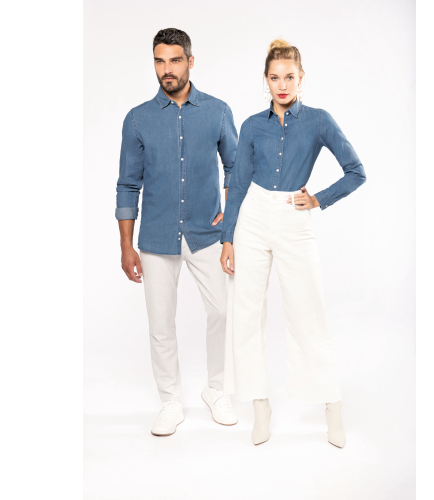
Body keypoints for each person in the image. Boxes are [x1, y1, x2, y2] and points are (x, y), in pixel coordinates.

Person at [220, 39, 366, 447]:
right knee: (246, 314)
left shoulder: (318, 121)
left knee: (308, 312)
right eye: (274, 78)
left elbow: (356, 171)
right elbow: (238, 182)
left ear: (301, 78)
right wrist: (227, 238)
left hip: (293, 217)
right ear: (266, 80)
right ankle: (259, 407)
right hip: (252, 217)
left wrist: (318, 199)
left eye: (289, 77)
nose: (281, 85)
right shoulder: (252, 125)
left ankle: (332, 406)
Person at [116, 28, 238, 436]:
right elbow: (127, 184)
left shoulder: (218, 111)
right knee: (160, 324)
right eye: (159, 61)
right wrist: (126, 246)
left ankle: (216, 389)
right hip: (156, 236)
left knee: (222, 311)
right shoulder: (138, 119)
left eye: (174, 60)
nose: (166, 69)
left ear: (190, 61)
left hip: (207, 233)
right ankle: (170, 399)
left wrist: (231, 222)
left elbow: (236, 168)